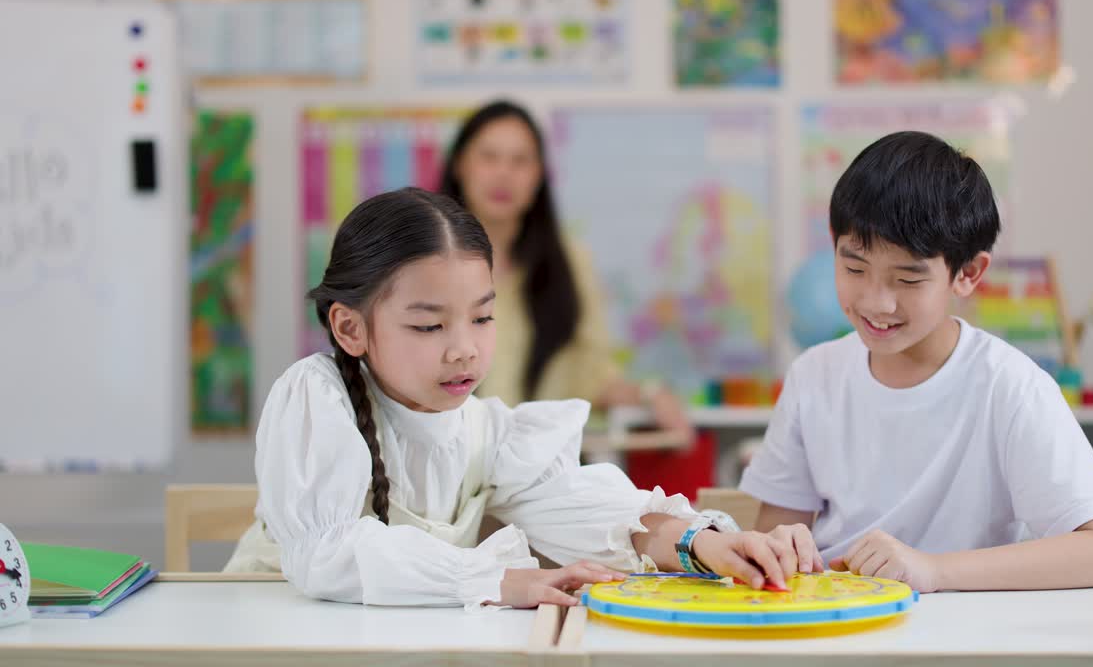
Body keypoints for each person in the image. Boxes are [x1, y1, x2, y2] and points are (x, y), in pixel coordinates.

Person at [225, 188, 799, 606]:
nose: (464, 350)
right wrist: (492, 578)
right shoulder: (315, 396)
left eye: (483, 317)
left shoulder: (485, 430)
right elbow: (330, 552)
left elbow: (579, 507)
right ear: (350, 328)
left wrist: (702, 543)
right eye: (429, 326)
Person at [741, 131, 1093, 593]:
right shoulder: (814, 375)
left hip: (964, 629)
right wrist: (780, 547)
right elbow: (778, 541)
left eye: (907, 279)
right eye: (854, 269)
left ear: (967, 273)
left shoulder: (1009, 386)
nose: (877, 302)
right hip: (841, 627)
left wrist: (932, 570)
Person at [440, 100, 693, 444]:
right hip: (445, 465)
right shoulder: (423, 262)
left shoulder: (570, 263)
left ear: (539, 175)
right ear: (460, 165)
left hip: (541, 472)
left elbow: (594, 377)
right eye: (489, 157)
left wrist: (649, 395)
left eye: (520, 161)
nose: (503, 173)